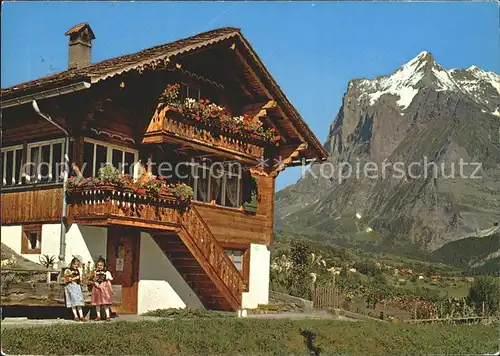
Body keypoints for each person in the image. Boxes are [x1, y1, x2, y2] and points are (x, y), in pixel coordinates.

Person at [90, 257, 113, 321]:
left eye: (101, 265)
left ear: (104, 266)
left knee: (105, 303)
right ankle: (98, 316)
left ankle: (107, 316)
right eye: (98, 265)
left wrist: (110, 289)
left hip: (104, 288)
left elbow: (108, 281)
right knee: (97, 303)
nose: (99, 266)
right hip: (96, 288)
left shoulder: (107, 272)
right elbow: (92, 280)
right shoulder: (94, 272)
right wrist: (95, 283)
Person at [63, 257, 86, 321]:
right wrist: (75, 278)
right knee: (73, 302)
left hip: (77, 287)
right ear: (72, 264)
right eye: (75, 264)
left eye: (77, 265)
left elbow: (80, 279)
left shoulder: (78, 270)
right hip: (71, 287)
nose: (76, 266)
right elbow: (66, 279)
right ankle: (75, 316)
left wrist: (81, 279)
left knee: (79, 302)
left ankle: (81, 316)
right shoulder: (68, 270)